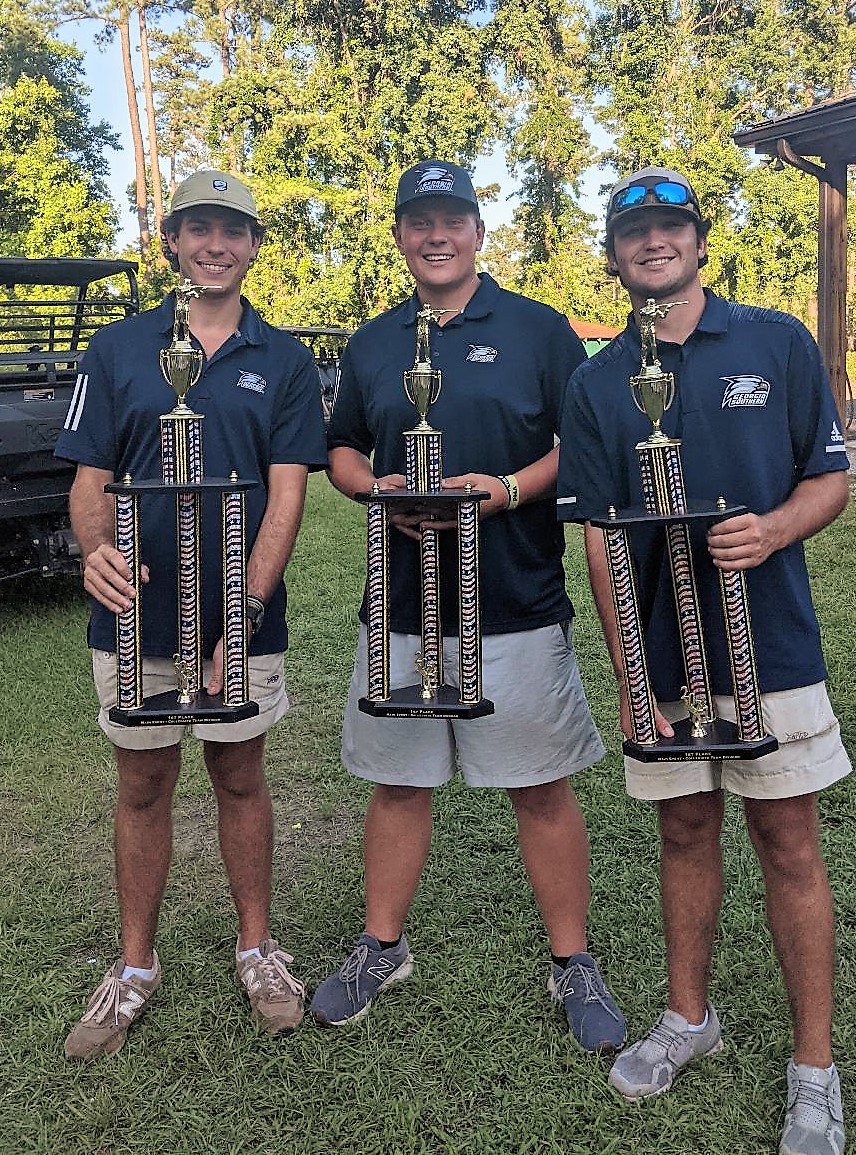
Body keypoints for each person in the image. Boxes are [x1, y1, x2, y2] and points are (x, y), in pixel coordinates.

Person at [557, 166, 851, 1155]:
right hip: (666, 666)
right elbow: (598, 533)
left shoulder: (775, 342)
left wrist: (769, 532)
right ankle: (690, 1018)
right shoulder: (596, 382)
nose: (652, 243)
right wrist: (626, 669)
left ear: (697, 241)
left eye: (669, 227)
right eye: (633, 232)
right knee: (684, 831)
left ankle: (814, 1070)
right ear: (614, 257)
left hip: (773, 648)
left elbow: (829, 477)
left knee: (788, 843)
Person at [312, 159, 626, 1053]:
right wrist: (378, 492)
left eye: (453, 219)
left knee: (539, 787)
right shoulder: (374, 342)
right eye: (420, 221)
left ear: (479, 231)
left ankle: (571, 959)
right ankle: (382, 945)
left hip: (514, 598)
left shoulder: (537, 328)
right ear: (403, 235)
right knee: (398, 781)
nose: (436, 235)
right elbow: (337, 448)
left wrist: (508, 488)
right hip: (403, 608)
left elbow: (585, 441)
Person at [55, 170, 328, 1060]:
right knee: (141, 786)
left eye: (233, 231)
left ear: (254, 245)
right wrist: (96, 548)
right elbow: (90, 479)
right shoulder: (118, 348)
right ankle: (135, 966)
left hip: (237, 618)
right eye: (198, 228)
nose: (215, 245)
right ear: (171, 238)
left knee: (241, 776)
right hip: (134, 619)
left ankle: (257, 948)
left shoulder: (282, 358)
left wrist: (240, 615)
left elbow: (286, 497)